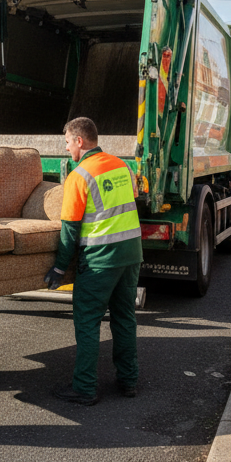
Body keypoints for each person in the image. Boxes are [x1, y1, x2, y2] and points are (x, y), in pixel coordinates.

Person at [44, 117, 143, 406]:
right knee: (125, 318)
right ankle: (129, 381)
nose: (66, 149)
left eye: (66, 142)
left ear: (79, 141)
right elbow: (128, 203)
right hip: (131, 253)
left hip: (101, 258)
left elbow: (70, 229)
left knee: (87, 321)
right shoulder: (122, 166)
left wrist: (60, 268)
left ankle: (85, 387)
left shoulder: (79, 175)